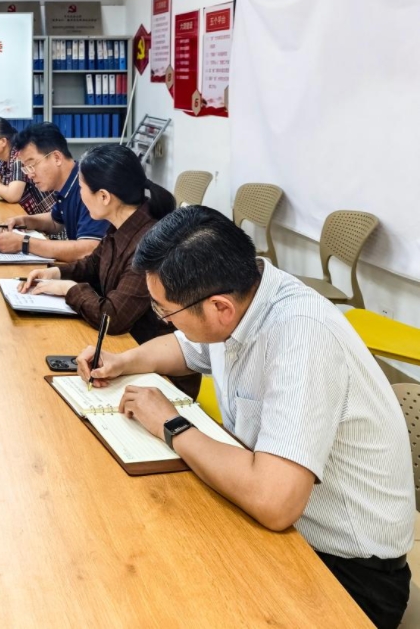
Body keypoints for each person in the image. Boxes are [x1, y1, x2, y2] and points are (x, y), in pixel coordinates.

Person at [76, 206, 414, 629]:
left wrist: (171, 424)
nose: (164, 322)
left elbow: (274, 502)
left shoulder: (301, 338)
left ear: (219, 308)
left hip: (348, 573)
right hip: (285, 531)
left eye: (164, 312)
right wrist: (123, 360)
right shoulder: (243, 295)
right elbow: (188, 347)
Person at [17, 145, 198, 395]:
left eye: (82, 188)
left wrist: (69, 289)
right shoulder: (123, 221)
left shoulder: (150, 242)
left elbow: (113, 317)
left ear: (104, 196)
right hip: (123, 354)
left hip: (156, 374)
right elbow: (93, 263)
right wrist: (56, 273)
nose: (80, 195)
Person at [0, 122, 108, 262]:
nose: (30, 175)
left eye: (32, 165)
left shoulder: (88, 186)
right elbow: (55, 222)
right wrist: (24, 220)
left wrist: (24, 243)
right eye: (26, 168)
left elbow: (89, 250)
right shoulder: (66, 184)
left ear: (57, 158)